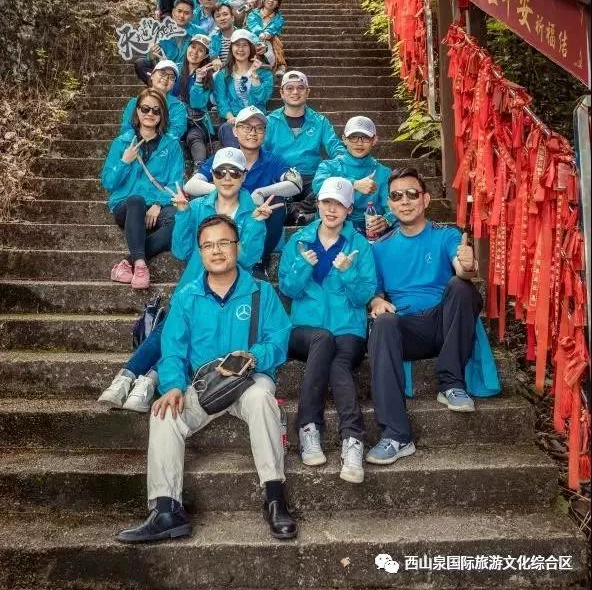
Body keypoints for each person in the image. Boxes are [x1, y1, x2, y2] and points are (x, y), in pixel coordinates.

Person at [115, 214, 297, 543]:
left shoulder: (260, 292)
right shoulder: (186, 297)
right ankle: (167, 510)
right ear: (200, 252)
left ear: (237, 247)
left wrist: (254, 356)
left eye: (223, 242)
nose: (216, 250)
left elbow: (279, 338)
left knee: (260, 399)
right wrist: (171, 386)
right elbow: (172, 350)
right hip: (203, 386)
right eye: (208, 245)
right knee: (164, 413)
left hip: (248, 380)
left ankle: (274, 497)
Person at [98, 147, 272, 414]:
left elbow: (247, 259)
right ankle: (128, 378)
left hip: (228, 288)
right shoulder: (198, 206)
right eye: (220, 171)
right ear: (212, 175)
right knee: (170, 328)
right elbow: (180, 251)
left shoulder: (252, 211)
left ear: (244, 175)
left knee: (179, 332)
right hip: (194, 284)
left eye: (234, 172)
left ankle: (145, 379)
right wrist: (181, 214)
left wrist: (258, 224)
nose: (227, 177)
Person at [366, 167, 500, 466]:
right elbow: (374, 293)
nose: (405, 201)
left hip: (445, 322)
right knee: (382, 322)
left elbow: (462, 266)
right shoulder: (379, 248)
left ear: (426, 199)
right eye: (397, 196)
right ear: (389, 204)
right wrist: (376, 302)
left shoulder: (445, 235)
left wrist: (467, 265)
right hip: (407, 329)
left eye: (412, 194)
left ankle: (451, 382)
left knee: (462, 288)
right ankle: (396, 435)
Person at [279, 178, 376, 485]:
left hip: (348, 328)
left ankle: (352, 441)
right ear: (318, 204)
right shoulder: (299, 241)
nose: (332, 209)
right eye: (326, 203)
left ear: (349, 209)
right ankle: (309, 427)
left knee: (337, 358)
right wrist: (303, 266)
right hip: (306, 329)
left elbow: (364, 296)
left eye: (339, 204)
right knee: (323, 340)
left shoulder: (359, 245)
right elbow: (288, 288)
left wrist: (348, 274)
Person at [185, 106, 302, 276]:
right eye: (246, 127)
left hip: (256, 221)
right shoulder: (224, 157)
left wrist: (262, 191)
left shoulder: (272, 159)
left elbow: (297, 183)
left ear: (265, 133)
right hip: (228, 218)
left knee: (276, 203)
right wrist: (229, 192)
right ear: (235, 131)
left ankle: (260, 260)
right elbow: (190, 185)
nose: (252, 133)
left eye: (259, 128)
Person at [101, 88, 184, 290]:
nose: (150, 114)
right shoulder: (121, 143)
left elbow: (176, 182)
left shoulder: (171, 145)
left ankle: (129, 261)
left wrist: (158, 203)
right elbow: (108, 182)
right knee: (136, 200)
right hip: (127, 205)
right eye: (145, 108)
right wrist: (124, 161)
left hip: (158, 205)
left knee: (178, 221)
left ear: (162, 115)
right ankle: (141, 266)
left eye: (156, 110)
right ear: (137, 111)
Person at [264, 70, 346, 224]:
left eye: (300, 87)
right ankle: (298, 211)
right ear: (281, 93)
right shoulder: (270, 121)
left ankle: (295, 209)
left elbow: (336, 148)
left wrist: (339, 161)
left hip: (312, 180)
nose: (295, 92)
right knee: (272, 195)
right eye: (289, 88)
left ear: (307, 92)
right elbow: (261, 152)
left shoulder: (320, 121)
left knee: (326, 188)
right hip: (281, 178)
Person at [312, 116, 392, 237]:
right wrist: (353, 184)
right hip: (332, 226)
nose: (359, 143)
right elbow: (318, 185)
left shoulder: (384, 173)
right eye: (353, 137)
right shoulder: (329, 166)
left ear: (374, 140)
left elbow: (394, 207)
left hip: (370, 230)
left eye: (365, 137)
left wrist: (387, 220)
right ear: (344, 139)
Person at [213, 30, 274, 147]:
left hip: (257, 117)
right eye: (237, 45)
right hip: (235, 119)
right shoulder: (223, 75)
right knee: (227, 128)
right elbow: (221, 101)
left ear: (251, 48)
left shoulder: (265, 73)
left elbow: (262, 98)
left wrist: (255, 75)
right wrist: (232, 118)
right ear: (231, 48)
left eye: (245, 45)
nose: (240, 49)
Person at [134, 0, 196, 86]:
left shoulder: (198, 32)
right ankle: (156, 88)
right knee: (140, 64)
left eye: (186, 13)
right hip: (164, 70)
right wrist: (151, 54)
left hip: (186, 72)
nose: (182, 16)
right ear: (173, 12)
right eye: (179, 11)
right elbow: (150, 57)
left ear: (192, 16)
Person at [120, 60, 188, 140]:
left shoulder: (178, 107)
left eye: (172, 77)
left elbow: (175, 132)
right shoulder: (134, 103)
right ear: (152, 76)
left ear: (173, 84)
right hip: (135, 146)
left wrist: (152, 143)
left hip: (165, 149)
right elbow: (127, 129)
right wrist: (136, 145)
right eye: (162, 73)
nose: (166, 78)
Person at [176, 36, 215, 171]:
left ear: (205, 56)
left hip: (197, 121)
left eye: (201, 50)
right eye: (193, 47)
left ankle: (199, 168)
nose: (195, 52)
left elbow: (197, 103)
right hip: (177, 118)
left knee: (194, 136)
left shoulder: (207, 77)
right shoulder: (176, 70)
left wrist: (198, 81)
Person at [245, 0, 287, 73]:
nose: (271, 0)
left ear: (278, 4)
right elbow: (253, 25)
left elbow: (275, 27)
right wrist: (260, 33)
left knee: (275, 39)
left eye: (275, 0)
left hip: (269, 40)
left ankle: (279, 65)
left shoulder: (278, 18)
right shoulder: (254, 13)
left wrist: (267, 33)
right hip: (254, 39)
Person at [209, 3, 236, 70]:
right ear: (215, 22)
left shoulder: (243, 35)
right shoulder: (213, 39)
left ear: (232, 18)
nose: (222, 18)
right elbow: (211, 51)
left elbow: (258, 44)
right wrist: (214, 58)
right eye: (218, 16)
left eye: (225, 14)